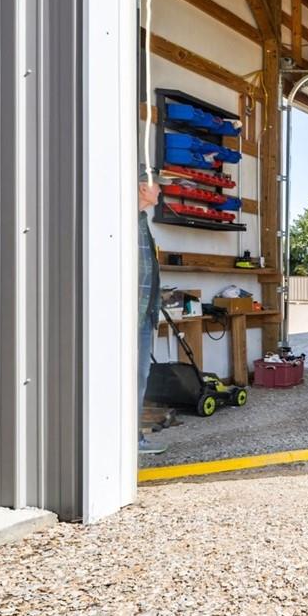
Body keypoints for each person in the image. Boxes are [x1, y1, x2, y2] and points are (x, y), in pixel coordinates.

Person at [138, 175, 166, 456]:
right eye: (158, 185)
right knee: (129, 377)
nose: (161, 190)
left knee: (139, 375)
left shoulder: (142, 223)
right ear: (143, 188)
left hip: (143, 315)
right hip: (128, 317)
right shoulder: (122, 223)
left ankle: (132, 438)